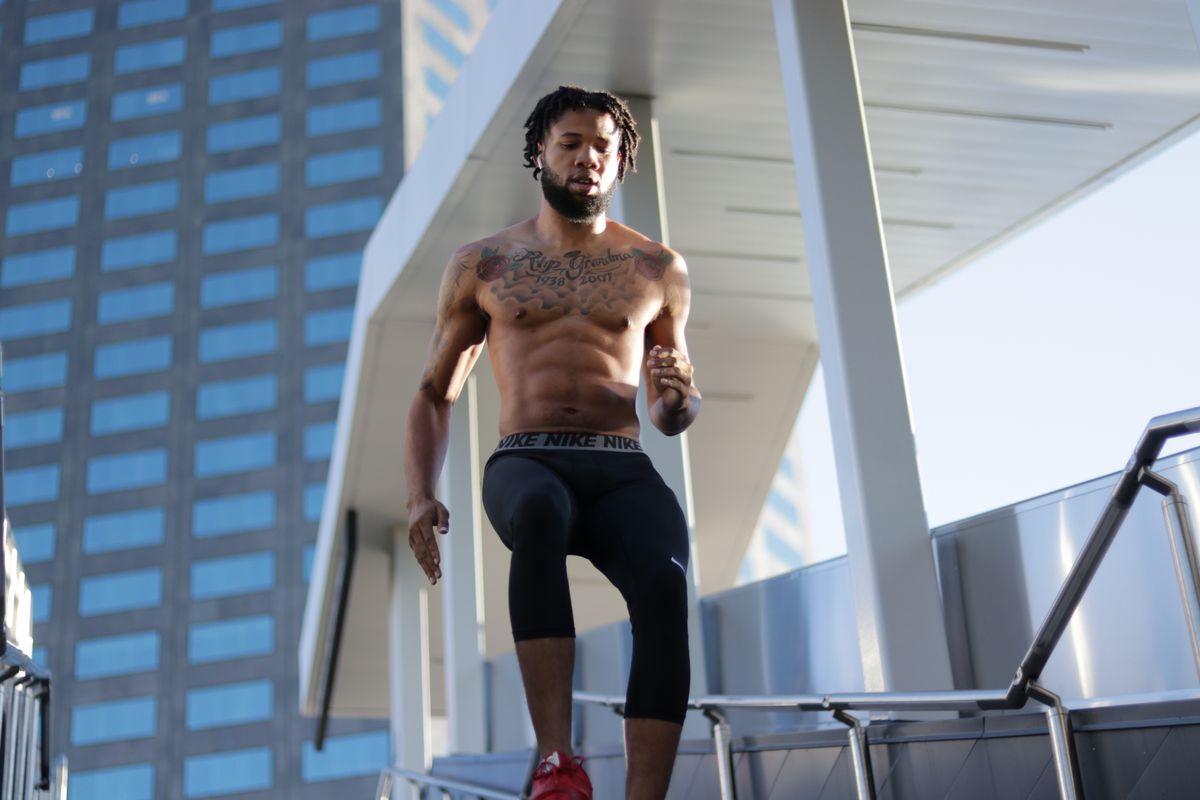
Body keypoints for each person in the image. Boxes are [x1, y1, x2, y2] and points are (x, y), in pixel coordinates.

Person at [404, 85, 701, 800]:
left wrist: (678, 399)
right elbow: (433, 393)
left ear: (623, 162)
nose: (587, 159)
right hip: (528, 458)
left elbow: (671, 409)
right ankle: (556, 764)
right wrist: (420, 493)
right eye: (570, 143)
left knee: (664, 584)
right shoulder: (485, 263)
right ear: (539, 152)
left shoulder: (658, 269)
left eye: (603, 147)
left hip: (622, 463)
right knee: (539, 512)